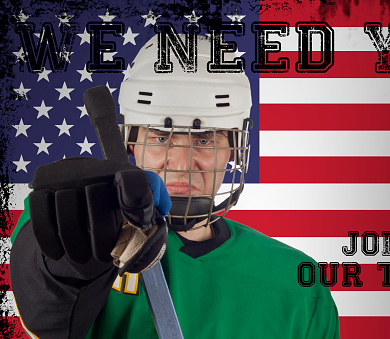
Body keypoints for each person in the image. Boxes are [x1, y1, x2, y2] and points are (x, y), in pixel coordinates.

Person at [10, 35, 340, 339]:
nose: (181, 164)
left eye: (206, 138)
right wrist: (69, 267)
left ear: (234, 150)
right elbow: (44, 308)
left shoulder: (296, 280)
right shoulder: (80, 217)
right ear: (129, 144)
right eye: (161, 137)